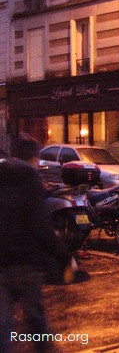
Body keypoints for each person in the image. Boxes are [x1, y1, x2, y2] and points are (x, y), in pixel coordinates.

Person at [0, 135, 73, 353]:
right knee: (36, 320)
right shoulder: (28, 177)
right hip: (25, 263)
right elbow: (39, 225)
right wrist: (64, 257)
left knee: (3, 324)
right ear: (33, 158)